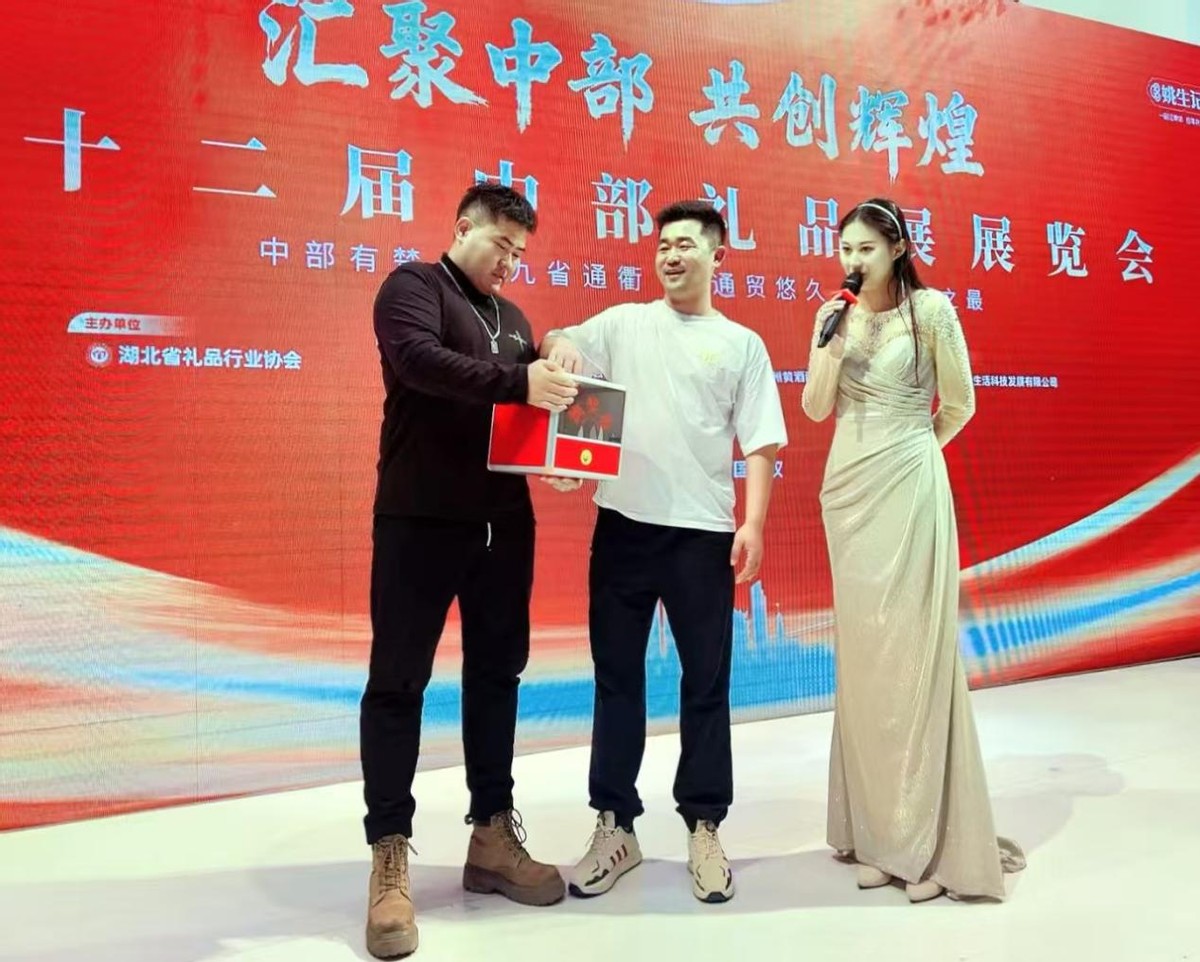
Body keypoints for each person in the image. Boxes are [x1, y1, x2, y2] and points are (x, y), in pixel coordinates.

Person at [540, 200, 788, 904]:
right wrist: (560, 345)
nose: (671, 256)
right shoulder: (626, 322)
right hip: (622, 526)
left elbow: (761, 442)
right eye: (663, 247)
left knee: (705, 683)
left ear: (717, 256)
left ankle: (704, 826)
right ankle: (615, 826)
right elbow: (563, 339)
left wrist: (753, 523)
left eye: (686, 245)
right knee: (616, 679)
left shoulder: (740, 344)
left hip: (702, 535)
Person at [361, 183, 579, 959]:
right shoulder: (413, 287)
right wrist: (521, 380)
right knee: (397, 683)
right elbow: (422, 364)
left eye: (520, 253)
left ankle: (491, 836)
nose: (510, 262)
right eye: (501, 246)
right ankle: (389, 855)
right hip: (418, 520)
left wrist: (553, 364)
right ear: (463, 228)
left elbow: (524, 409)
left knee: (497, 677)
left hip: (503, 526)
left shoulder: (513, 320)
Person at [801, 197, 1025, 902]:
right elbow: (814, 408)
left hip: (909, 483)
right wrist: (830, 346)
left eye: (866, 248)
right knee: (867, 661)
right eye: (845, 248)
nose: (853, 261)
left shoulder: (930, 313)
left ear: (897, 248)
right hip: (848, 492)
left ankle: (925, 845)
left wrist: (916, 452)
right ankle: (877, 835)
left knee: (914, 657)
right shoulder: (831, 315)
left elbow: (959, 403)